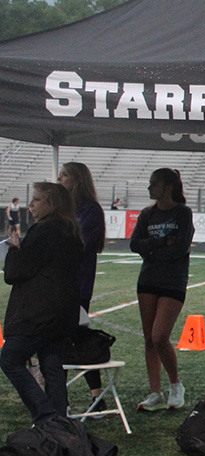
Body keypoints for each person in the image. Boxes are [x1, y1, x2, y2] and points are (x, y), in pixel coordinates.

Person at [1, 183, 83, 425]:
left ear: (52, 204)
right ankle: (59, 422)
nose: (32, 204)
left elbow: (15, 273)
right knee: (52, 366)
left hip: (38, 312)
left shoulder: (43, 231)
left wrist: (15, 250)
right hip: (62, 313)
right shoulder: (71, 231)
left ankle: (46, 416)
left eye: (37, 200)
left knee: (10, 359)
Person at [130, 168, 194, 412]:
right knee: (148, 339)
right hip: (148, 279)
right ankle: (154, 392)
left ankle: (175, 384)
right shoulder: (147, 214)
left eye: (153, 184)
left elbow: (180, 248)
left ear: (167, 187)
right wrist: (158, 244)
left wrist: (153, 251)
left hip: (173, 281)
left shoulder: (182, 213)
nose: (149, 188)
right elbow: (135, 244)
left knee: (160, 336)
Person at [58, 162, 108, 412]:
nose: (59, 179)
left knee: (76, 338)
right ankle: (68, 400)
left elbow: (81, 244)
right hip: (58, 285)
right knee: (63, 339)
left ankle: (95, 398)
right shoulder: (64, 209)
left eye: (64, 175)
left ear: (76, 180)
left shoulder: (90, 210)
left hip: (76, 285)